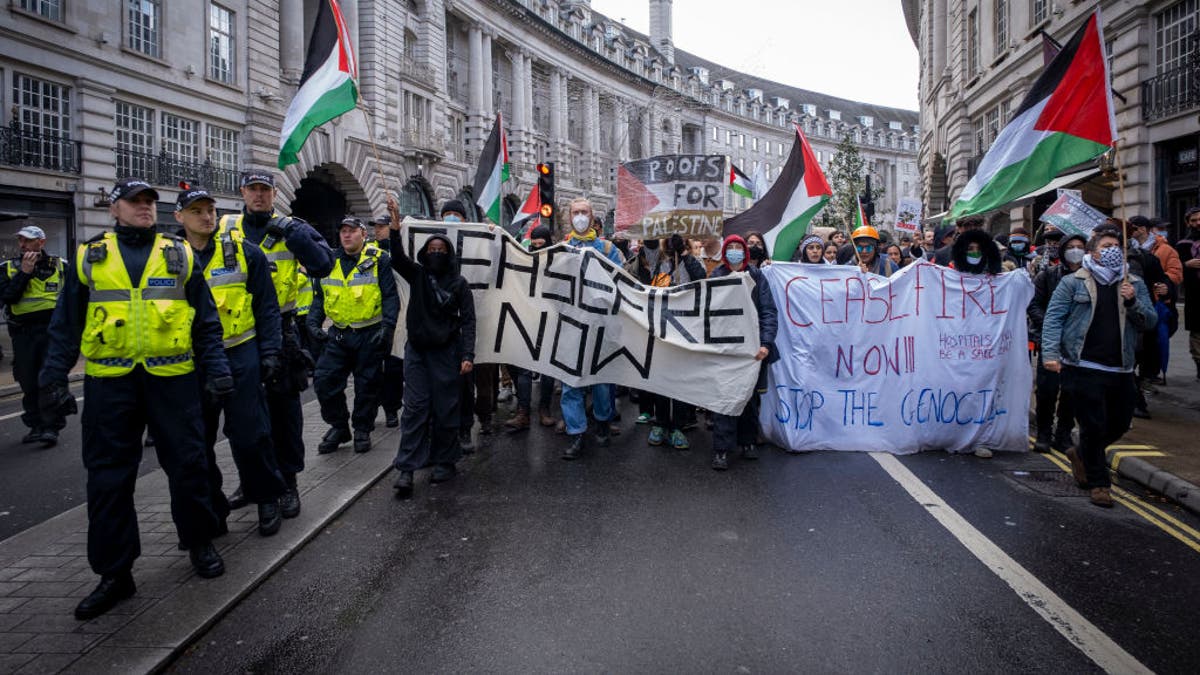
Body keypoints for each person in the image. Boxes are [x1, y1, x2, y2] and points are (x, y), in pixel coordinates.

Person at [39, 179, 233, 620]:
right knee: (108, 480)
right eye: (135, 202)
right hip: (111, 384)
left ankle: (200, 543)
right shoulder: (91, 258)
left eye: (150, 202)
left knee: (189, 467)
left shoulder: (178, 253)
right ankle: (115, 573)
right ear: (114, 209)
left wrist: (218, 369)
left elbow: (205, 321)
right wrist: (52, 379)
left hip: (173, 380)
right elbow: (65, 324)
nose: (145, 208)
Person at [218, 171, 334, 518]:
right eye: (253, 190)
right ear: (242, 192)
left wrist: (296, 236)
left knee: (285, 415)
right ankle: (251, 482)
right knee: (243, 420)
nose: (258, 196)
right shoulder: (225, 227)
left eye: (264, 190)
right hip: (235, 336)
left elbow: (324, 264)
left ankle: (288, 484)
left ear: (274, 194)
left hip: (281, 332)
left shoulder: (291, 227)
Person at [175, 186, 287, 537]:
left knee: (251, 434)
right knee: (197, 443)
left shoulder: (244, 253)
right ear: (179, 217)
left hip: (240, 353)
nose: (206, 217)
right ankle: (213, 510)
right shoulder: (169, 258)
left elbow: (267, 308)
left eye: (210, 210)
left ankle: (266, 496)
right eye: (197, 211)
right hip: (193, 363)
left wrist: (270, 352)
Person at [1042, 226, 1157, 508]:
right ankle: (1099, 483)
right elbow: (1054, 318)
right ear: (1093, 251)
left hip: (1121, 368)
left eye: (1117, 246)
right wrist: (1050, 353)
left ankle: (1081, 453)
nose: (1112, 250)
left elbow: (1150, 322)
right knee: (1092, 425)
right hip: (1082, 365)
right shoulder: (1073, 282)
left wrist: (1132, 302)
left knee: (1119, 423)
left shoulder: (1134, 283)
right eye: (1106, 246)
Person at [386, 195, 476, 497]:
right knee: (414, 409)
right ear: (425, 253)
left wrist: (467, 355)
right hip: (417, 353)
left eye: (441, 250)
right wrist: (395, 224)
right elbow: (397, 256)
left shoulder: (459, 284)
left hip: (447, 354)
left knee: (445, 408)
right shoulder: (418, 275)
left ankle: (444, 460)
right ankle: (407, 468)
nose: (436, 253)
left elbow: (469, 321)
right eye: (432, 250)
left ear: (448, 255)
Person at [308, 217, 399, 455]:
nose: (346, 235)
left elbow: (390, 295)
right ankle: (339, 427)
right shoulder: (328, 260)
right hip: (339, 334)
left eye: (351, 231)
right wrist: (313, 322)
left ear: (362, 234)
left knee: (367, 386)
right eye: (343, 232)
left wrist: (388, 327)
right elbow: (319, 296)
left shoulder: (379, 259)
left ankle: (362, 429)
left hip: (369, 333)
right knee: (324, 381)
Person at [560, 198, 623, 459]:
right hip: (571, 326)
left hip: (600, 325)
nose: (580, 216)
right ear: (569, 217)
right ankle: (576, 434)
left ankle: (602, 423)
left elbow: (621, 282)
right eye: (576, 212)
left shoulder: (608, 249)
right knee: (570, 382)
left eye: (584, 212)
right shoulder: (561, 249)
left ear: (592, 215)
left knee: (600, 381)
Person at [708, 235, 778, 469]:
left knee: (749, 399)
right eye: (731, 247)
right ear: (725, 252)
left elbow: (768, 311)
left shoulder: (757, 277)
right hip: (725, 348)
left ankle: (747, 442)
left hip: (752, 349)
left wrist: (766, 343)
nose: (735, 251)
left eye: (739, 247)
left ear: (745, 252)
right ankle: (721, 449)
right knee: (724, 399)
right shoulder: (717, 276)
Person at [433, 200, 497, 452]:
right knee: (461, 382)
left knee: (483, 376)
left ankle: (486, 415)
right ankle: (463, 427)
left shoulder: (479, 243)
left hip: (481, 319)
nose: (451, 218)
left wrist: (493, 239)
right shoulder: (436, 247)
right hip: (450, 330)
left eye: (456, 214)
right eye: (446, 214)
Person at [0, 224, 64, 446]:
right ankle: (36, 426)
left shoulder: (61, 266)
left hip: (51, 333)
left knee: (49, 381)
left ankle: (50, 427)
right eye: (21, 240)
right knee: (28, 382)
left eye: (27, 240)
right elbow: (7, 297)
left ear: (41, 242)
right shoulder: (8, 267)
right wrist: (24, 274)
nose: (22, 244)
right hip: (23, 334)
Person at [644, 233, 706, 451]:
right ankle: (660, 423)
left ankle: (678, 426)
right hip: (661, 328)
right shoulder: (658, 262)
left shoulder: (692, 261)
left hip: (684, 330)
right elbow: (649, 243)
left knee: (679, 380)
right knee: (661, 379)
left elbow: (701, 278)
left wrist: (685, 255)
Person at [1028, 233, 1086, 453]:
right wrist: (1052, 326)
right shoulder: (1048, 275)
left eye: (1080, 247)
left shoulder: (1090, 277)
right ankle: (1043, 432)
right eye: (1070, 247)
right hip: (1050, 340)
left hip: (1077, 344)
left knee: (1071, 390)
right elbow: (1033, 305)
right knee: (1047, 389)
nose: (1075, 250)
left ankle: (1063, 434)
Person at [505, 225, 559, 431]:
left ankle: (544, 409)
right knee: (524, 368)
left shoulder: (557, 263)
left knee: (546, 369)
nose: (537, 249)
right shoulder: (525, 262)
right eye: (533, 245)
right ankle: (523, 411)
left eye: (541, 245)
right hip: (527, 320)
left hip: (550, 321)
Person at [371, 215, 404, 428]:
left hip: (399, 315)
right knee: (373, 368)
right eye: (376, 227)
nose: (378, 230)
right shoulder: (370, 251)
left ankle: (392, 407)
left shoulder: (400, 247)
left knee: (394, 366)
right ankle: (374, 409)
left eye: (382, 226)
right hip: (374, 315)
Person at [1179, 207, 1200, 380]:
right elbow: (1176, 271)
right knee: (1197, 341)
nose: (1197, 223)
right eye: (1193, 221)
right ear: (1188, 223)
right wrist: (1186, 265)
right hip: (1195, 300)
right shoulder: (1182, 245)